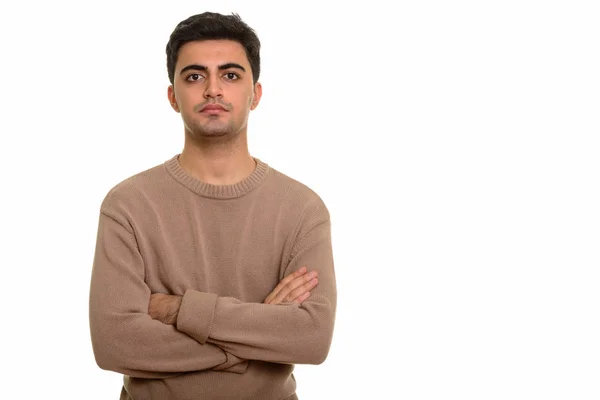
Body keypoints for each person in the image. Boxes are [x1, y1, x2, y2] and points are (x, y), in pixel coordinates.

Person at [89, 11, 337, 400]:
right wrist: (259, 334)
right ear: (173, 97)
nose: (213, 90)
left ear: (255, 94)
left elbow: (311, 339)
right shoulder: (127, 205)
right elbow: (114, 343)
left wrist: (178, 310)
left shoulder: (302, 209)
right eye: (195, 76)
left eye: (231, 75)